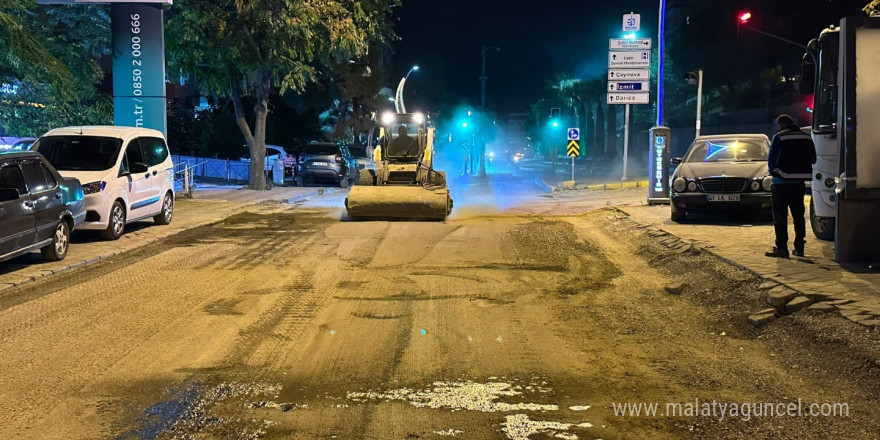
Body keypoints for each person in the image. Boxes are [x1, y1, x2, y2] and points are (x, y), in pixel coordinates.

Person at [765, 114, 816, 258]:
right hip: (798, 184)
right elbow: (813, 158)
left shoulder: (779, 137)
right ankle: (799, 248)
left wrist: (776, 172)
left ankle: (782, 249)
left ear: (780, 124)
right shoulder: (806, 137)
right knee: (798, 216)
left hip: (780, 184)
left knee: (780, 217)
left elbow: (772, 161)